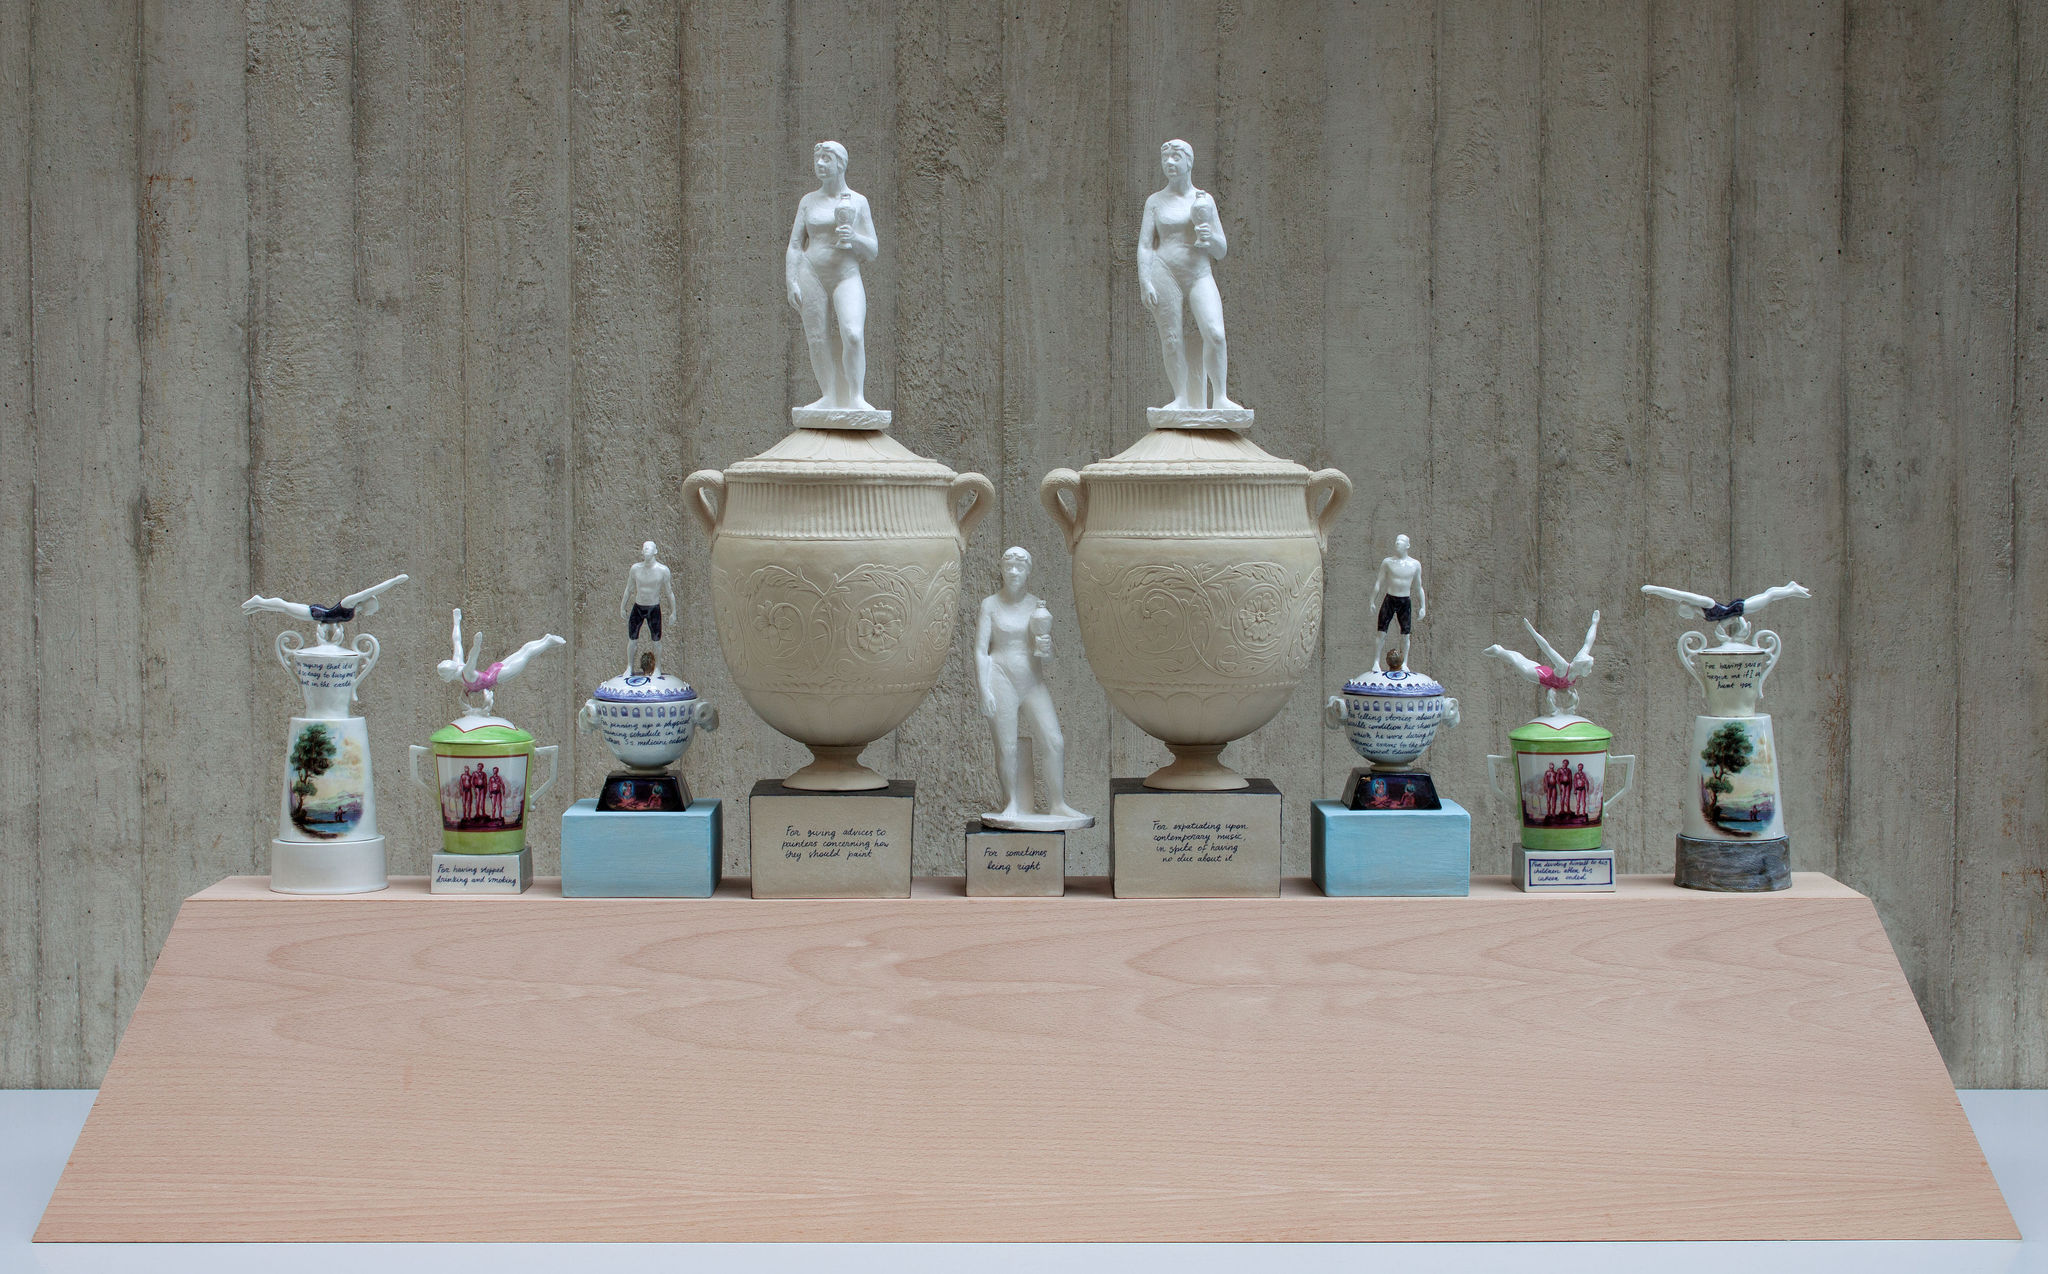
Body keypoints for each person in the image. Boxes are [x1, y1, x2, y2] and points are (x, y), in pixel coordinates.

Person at [974, 547, 1089, 828]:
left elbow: (1047, 655)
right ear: (1002, 569)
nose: (1014, 572)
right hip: (1001, 678)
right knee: (1007, 746)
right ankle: (1011, 801)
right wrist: (984, 689)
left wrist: (1046, 647)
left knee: (1054, 740)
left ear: (1028, 572)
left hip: (1032, 682)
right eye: (1009, 566)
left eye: (1020, 567)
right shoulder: (990, 605)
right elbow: (980, 651)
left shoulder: (1037, 606)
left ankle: (1058, 802)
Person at [1138, 139, 1236, 412]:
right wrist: (1145, 280)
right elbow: (1145, 245)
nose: (1169, 163)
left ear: (1189, 162)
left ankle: (1220, 397)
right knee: (1171, 338)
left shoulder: (1203, 200)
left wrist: (1209, 238)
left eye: (1176, 157)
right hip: (1164, 272)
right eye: (1165, 158)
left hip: (1198, 273)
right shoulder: (1155, 202)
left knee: (1215, 333)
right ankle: (1180, 397)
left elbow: (1221, 250)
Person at [786, 140, 879, 411]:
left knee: (853, 333)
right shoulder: (808, 201)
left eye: (826, 159)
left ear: (841, 163)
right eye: (818, 159)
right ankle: (828, 394)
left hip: (846, 274)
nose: (820, 164)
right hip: (811, 273)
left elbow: (872, 250)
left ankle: (857, 396)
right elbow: (795, 245)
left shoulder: (858, 201)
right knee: (817, 337)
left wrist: (855, 238)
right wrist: (791, 280)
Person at [1370, 535, 1427, 671]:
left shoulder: (1415, 564)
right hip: (1390, 599)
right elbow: (1379, 583)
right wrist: (1372, 601)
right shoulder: (1387, 562)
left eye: (1401, 542)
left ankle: (1404, 663)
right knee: (1381, 632)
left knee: (1406, 634)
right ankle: (1376, 661)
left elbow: (1418, 587)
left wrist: (1423, 606)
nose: (1398, 543)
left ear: (1407, 545)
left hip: (1404, 601)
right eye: (1396, 541)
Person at [621, 541, 678, 676]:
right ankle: (629, 666)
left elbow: (669, 592)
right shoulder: (635, 569)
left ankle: (658, 667)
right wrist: (622, 607)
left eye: (649, 547)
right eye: (644, 548)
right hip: (638, 607)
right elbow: (629, 589)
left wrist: (673, 612)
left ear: (655, 551)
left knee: (656, 640)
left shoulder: (663, 570)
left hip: (653, 608)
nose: (647, 549)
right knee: (632, 639)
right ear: (642, 551)